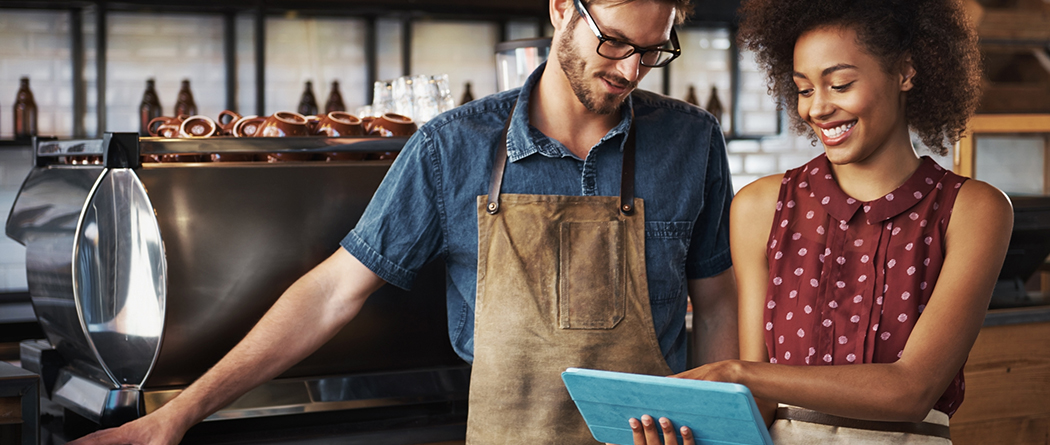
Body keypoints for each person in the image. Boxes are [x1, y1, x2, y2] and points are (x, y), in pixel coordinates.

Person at [72, 0, 739, 444]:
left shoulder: (691, 141)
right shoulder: (454, 148)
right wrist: (181, 411)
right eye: (614, 42)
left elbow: (716, 304)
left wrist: (712, 430)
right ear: (563, 8)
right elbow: (332, 293)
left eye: (652, 51)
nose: (630, 70)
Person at [629, 0, 1012, 443]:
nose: (818, 109)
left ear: (906, 72)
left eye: (841, 84)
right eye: (805, 89)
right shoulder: (759, 207)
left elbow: (912, 390)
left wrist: (740, 373)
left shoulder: (973, 209)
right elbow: (759, 405)